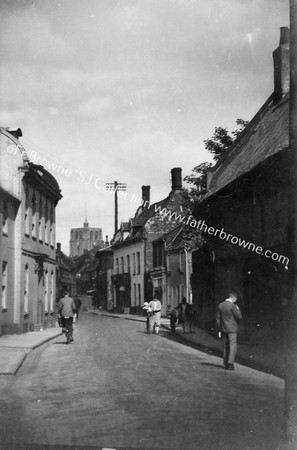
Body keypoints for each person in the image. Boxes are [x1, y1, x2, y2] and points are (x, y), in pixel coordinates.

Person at [216, 291, 242, 371]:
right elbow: (239, 317)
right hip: (232, 329)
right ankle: (230, 363)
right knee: (232, 345)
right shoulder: (233, 306)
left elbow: (218, 318)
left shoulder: (220, 305)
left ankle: (225, 363)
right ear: (233, 298)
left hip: (224, 328)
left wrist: (220, 328)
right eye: (235, 299)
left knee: (225, 346)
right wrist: (237, 309)